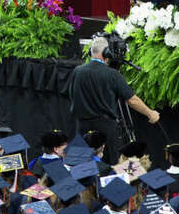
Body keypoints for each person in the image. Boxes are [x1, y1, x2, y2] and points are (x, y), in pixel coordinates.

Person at [66, 35, 161, 163]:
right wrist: (151, 113)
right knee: (112, 167)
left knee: (81, 168)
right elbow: (132, 100)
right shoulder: (112, 74)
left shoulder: (77, 71)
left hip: (82, 127)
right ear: (107, 52)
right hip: (106, 130)